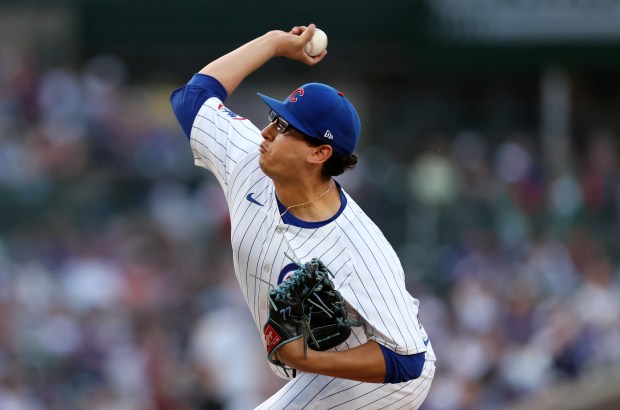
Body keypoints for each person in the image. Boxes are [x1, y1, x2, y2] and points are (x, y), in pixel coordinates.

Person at [170, 24, 436, 409]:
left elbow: (406, 360)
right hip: (325, 369)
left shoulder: (356, 248)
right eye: (272, 118)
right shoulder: (248, 159)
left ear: (319, 154)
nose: (266, 132)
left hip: (386, 379)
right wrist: (274, 43)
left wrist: (305, 358)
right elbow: (193, 97)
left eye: (283, 127)